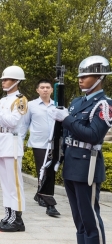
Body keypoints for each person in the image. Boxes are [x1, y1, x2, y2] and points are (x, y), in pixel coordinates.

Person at [52, 56, 110, 243]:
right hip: (71, 163)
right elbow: (68, 134)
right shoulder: (77, 102)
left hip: (87, 165)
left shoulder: (104, 104)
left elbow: (93, 135)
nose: (80, 79)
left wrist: (66, 119)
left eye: (86, 76)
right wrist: (57, 158)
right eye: (79, 76)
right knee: (79, 221)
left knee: (90, 218)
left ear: (100, 77)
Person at [0, 66, 29, 232]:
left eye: (7, 79)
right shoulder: (3, 100)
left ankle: (18, 219)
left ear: (16, 81)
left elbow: (12, 122)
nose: (3, 82)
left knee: (14, 183)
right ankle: (8, 215)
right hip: (2, 141)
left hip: (12, 142)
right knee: (5, 183)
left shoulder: (21, 100)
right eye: (3, 79)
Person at [26, 79, 60, 216]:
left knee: (50, 171)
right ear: (37, 90)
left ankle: (39, 194)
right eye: (42, 87)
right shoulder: (31, 105)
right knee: (43, 170)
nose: (45, 90)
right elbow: (24, 123)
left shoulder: (57, 105)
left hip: (53, 143)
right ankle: (49, 202)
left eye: (47, 87)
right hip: (38, 143)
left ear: (52, 90)